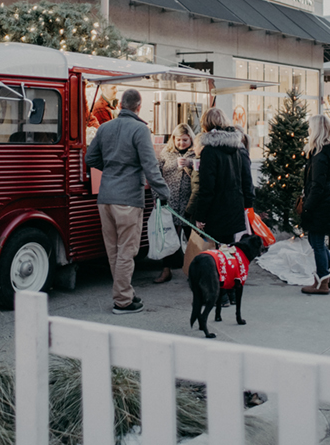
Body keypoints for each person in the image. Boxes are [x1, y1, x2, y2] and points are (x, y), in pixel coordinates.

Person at [86, 89, 170, 314]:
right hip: (128, 199)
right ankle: (123, 301)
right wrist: (164, 193)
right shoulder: (140, 129)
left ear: (120, 105)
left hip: (105, 198)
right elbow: (150, 166)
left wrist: (112, 170)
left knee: (114, 250)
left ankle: (125, 293)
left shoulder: (104, 127)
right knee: (127, 250)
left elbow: (90, 158)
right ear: (139, 107)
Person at [186, 107, 253, 245]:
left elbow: (207, 187)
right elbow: (246, 179)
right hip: (234, 209)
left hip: (215, 212)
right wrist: (248, 204)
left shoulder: (209, 151)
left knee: (214, 255)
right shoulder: (238, 148)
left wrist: (200, 216)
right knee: (228, 251)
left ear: (206, 124)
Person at [299, 115, 330, 295]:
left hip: (320, 204)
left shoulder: (320, 156)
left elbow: (317, 185)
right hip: (326, 202)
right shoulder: (326, 152)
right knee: (315, 239)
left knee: (316, 241)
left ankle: (322, 280)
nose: (308, 131)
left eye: (310, 128)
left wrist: (308, 207)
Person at [153, 123, 196, 283]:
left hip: (189, 203)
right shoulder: (165, 153)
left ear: (191, 139)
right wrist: (157, 196)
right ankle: (166, 270)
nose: (181, 143)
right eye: (178, 140)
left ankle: (194, 271)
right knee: (168, 236)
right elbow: (155, 175)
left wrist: (190, 164)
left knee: (192, 239)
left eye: (185, 140)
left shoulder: (196, 154)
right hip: (169, 203)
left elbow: (204, 174)